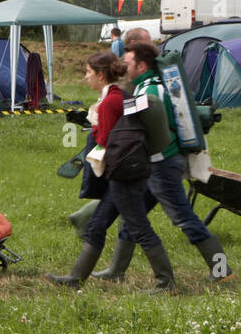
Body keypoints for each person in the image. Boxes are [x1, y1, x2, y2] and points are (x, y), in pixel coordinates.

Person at [90, 41, 233, 284]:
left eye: (128, 62)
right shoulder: (148, 86)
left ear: (141, 65)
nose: (124, 66)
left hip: (162, 164)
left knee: (184, 217)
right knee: (133, 216)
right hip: (155, 164)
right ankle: (116, 270)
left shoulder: (151, 91)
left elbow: (144, 129)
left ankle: (221, 270)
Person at [46, 52, 177, 291]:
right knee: (97, 225)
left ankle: (166, 281)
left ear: (101, 74)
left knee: (138, 226)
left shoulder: (109, 103)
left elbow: (104, 139)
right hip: (127, 171)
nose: (86, 78)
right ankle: (76, 278)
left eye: (88, 72)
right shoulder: (121, 95)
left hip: (122, 175)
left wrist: (93, 123)